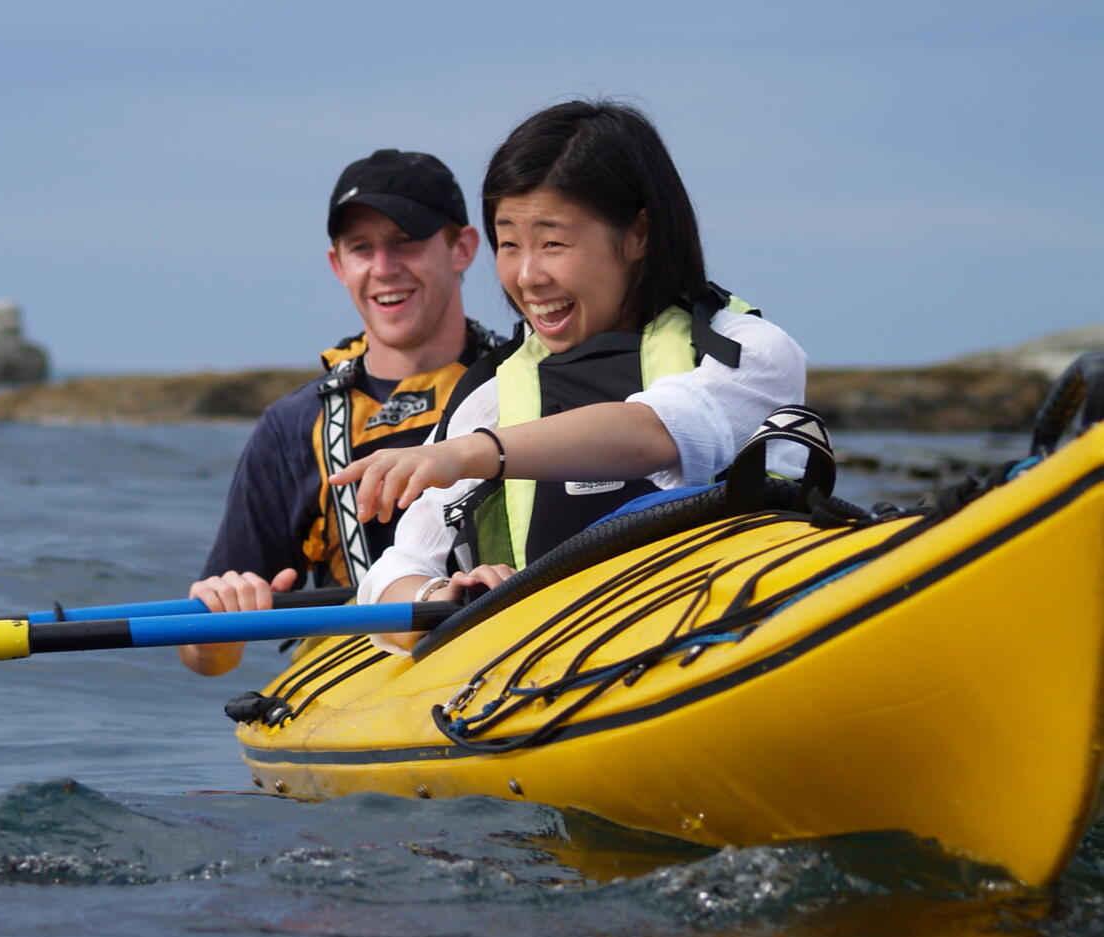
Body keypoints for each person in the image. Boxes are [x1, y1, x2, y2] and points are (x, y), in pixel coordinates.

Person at [331, 100, 807, 650]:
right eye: (510, 245)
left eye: (552, 243)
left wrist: (468, 454)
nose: (527, 276)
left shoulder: (746, 352)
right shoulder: (490, 398)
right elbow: (391, 576)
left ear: (639, 234)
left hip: (726, 638)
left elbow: (654, 431)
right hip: (552, 673)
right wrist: (446, 595)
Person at [179, 149, 508, 676]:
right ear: (338, 265)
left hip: (504, 656)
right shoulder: (292, 426)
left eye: (406, 241)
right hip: (358, 686)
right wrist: (219, 621)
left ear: (462, 248)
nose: (384, 268)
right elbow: (206, 660)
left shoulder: (525, 383)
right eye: (361, 248)